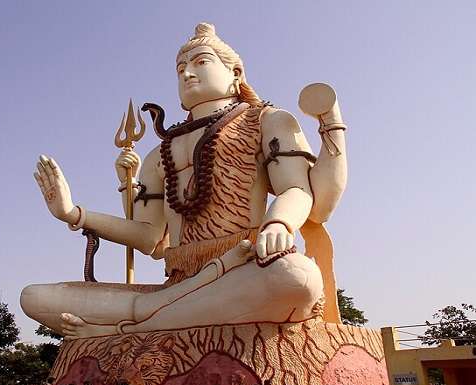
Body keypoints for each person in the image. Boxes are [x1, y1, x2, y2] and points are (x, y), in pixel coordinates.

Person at [22, 21, 348, 339]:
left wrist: (279, 223)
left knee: (296, 277)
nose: (187, 74)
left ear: (235, 74)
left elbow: (299, 190)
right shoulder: (158, 154)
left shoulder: (267, 120)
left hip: (247, 266)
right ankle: (157, 312)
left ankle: (135, 324)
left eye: (200, 62)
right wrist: (73, 214)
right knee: (34, 298)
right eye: (180, 70)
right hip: (180, 280)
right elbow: (150, 237)